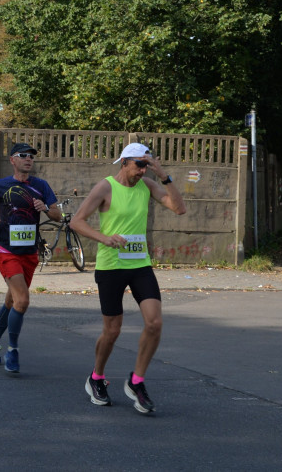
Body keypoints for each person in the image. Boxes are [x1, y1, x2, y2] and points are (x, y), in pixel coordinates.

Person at [70, 142, 187, 415]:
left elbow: (179, 208)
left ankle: (136, 381)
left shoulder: (147, 185)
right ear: (124, 162)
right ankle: (96, 377)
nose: (142, 170)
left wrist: (165, 177)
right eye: (138, 164)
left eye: (146, 165)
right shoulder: (106, 187)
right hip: (111, 266)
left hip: (139, 265)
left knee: (155, 323)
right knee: (112, 331)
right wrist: (104, 238)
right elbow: (77, 221)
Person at [0, 142, 61, 374]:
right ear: (13, 160)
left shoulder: (41, 186)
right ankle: (12, 350)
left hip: (29, 253)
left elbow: (57, 215)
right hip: (6, 251)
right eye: (23, 155)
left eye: (32, 156)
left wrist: (44, 207)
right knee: (22, 301)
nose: (28, 159)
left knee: (11, 302)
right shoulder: (1, 185)